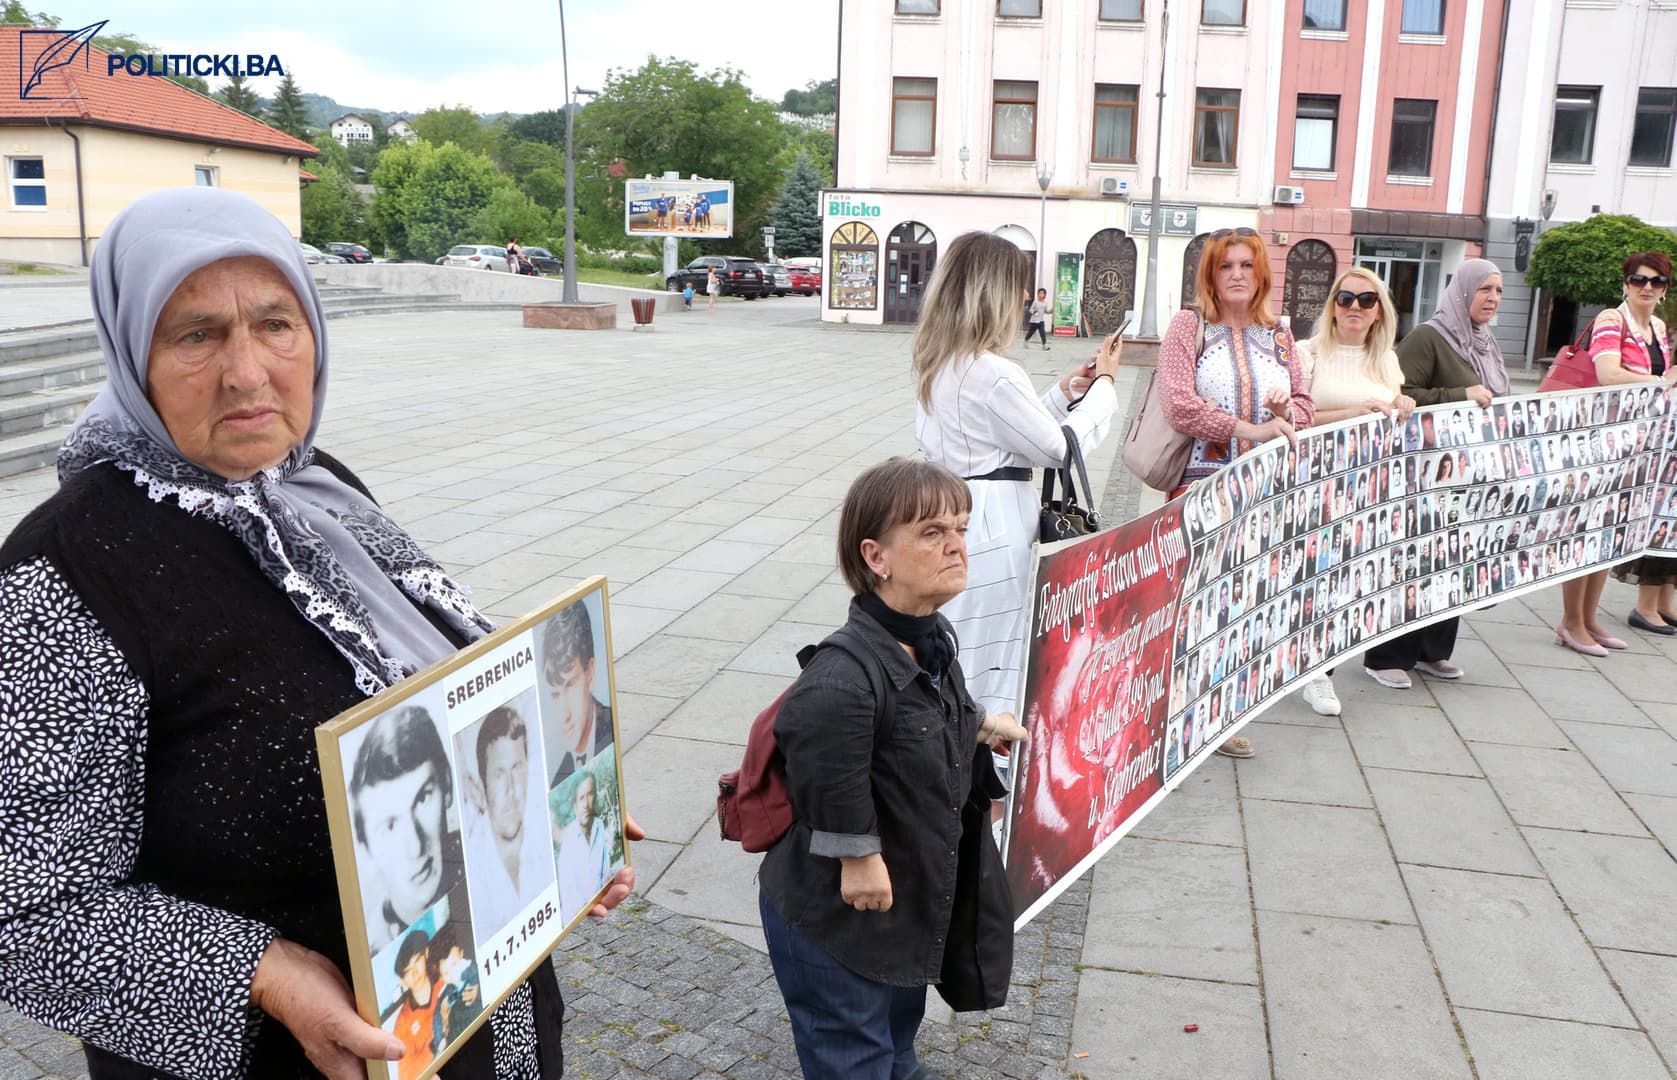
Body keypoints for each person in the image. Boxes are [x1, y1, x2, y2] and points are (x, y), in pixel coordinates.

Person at [0, 187, 640, 1080]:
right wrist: (263, 973)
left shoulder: (316, 487)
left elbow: (440, 691)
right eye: (195, 335)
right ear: (129, 348)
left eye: (276, 324)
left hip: (474, 1022)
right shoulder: (66, 573)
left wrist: (558, 803)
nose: (248, 373)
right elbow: (26, 908)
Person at [758, 457, 1023, 1080]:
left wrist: (981, 724)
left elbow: (923, 710)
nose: (957, 545)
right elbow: (825, 761)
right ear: (876, 557)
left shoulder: (929, 639)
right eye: (932, 533)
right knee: (856, 1055)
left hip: (901, 911)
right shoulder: (842, 675)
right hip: (838, 920)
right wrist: (857, 856)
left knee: (897, 1040)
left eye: (960, 527)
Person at [912, 230, 1118, 720]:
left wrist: (1065, 392)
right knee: (995, 657)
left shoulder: (943, 359)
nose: (1026, 296)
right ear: (993, 290)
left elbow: (1003, 430)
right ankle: (991, 773)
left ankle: (955, 752)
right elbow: (1056, 449)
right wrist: (1106, 388)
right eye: (1019, 284)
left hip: (954, 510)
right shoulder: (994, 371)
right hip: (993, 525)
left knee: (962, 643)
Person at [1158, 227, 1313, 757]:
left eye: (1247, 266)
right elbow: (1177, 403)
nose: (1238, 276)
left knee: (1245, 601)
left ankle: (1219, 716)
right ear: (1211, 274)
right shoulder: (1189, 327)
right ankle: (1175, 711)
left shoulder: (1281, 336)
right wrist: (1249, 430)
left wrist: (1285, 413)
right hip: (1201, 484)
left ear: (1262, 273)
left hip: (1265, 491)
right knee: (1194, 600)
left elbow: (1304, 405)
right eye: (1227, 267)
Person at [1370, 259, 1508, 689]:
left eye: (1498, 291)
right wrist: (1458, 395)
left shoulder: (1484, 342)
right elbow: (1398, 394)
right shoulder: (1430, 337)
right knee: (1416, 562)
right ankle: (1388, 655)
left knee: (1455, 561)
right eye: (1484, 289)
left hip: (1468, 475)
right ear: (1463, 291)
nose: (1492, 299)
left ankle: (1434, 650)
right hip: (1425, 474)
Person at [1292, 268, 1414, 718]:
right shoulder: (1307, 354)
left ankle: (1318, 663)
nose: (1354, 308)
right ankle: (1315, 673)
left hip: (1366, 487)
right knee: (1312, 578)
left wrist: (1402, 404)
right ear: (1332, 305)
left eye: (1366, 300)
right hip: (1313, 483)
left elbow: (1394, 413)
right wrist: (1352, 412)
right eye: (1345, 298)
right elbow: (1297, 419)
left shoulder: (1387, 361)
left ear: (1379, 309)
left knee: (1344, 582)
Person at [1599, 254, 1676, 640]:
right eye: (1639, 279)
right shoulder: (1612, 320)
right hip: (1621, 439)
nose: (1648, 286)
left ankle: (1664, 601)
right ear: (1626, 283)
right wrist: (1658, 380)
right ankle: (1643, 606)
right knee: (1641, 518)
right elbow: (1607, 373)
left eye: (1657, 281)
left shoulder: (1658, 325)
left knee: (1666, 515)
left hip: (1655, 440)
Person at [349, 705, 465, 954]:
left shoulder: (490, 867)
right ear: (366, 849)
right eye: (389, 826)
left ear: (447, 786)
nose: (415, 846)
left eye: (422, 799)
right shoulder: (373, 957)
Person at [460, 704, 554, 936]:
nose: (511, 789)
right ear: (482, 786)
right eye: (499, 774)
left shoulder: (548, 837)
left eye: (517, 768)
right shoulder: (469, 868)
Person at [541, 601, 615, 787]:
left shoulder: (611, 732)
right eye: (556, 694)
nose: (565, 714)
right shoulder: (558, 781)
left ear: (590, 674)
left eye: (570, 685)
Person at [555, 772, 615, 923]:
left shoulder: (599, 826)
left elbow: (607, 870)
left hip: (599, 908)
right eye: (581, 798)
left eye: (590, 795)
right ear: (575, 805)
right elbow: (569, 896)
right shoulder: (569, 843)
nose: (587, 804)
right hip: (574, 918)